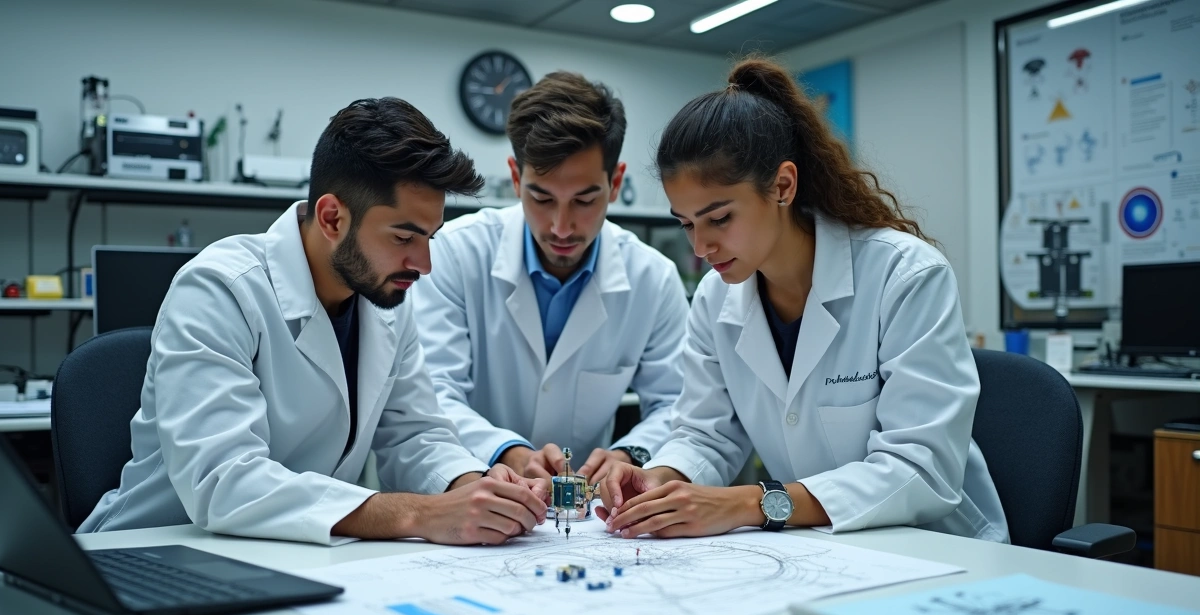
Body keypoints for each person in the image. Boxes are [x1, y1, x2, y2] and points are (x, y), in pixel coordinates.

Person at [80, 97, 548, 546]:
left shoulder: (385, 299)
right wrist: (420, 514)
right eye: (404, 235)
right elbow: (224, 481)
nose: (423, 264)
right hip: (153, 551)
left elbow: (414, 433)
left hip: (292, 554)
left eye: (430, 237)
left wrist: (472, 487)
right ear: (332, 217)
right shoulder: (219, 289)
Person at [596, 58, 1009, 543]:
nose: (700, 248)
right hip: (816, 552)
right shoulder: (715, 299)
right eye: (687, 224)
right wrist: (663, 478)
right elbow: (706, 433)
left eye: (720, 218)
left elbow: (920, 469)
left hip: (938, 549)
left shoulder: (904, 274)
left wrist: (748, 502)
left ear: (783, 186)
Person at [413, 71, 688, 483]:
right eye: (541, 197)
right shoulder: (453, 254)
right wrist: (506, 452)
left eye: (584, 199)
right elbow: (431, 394)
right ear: (516, 177)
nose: (561, 227)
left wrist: (630, 454)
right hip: (476, 489)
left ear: (614, 183)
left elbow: (677, 405)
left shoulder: (654, 279)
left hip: (590, 515)